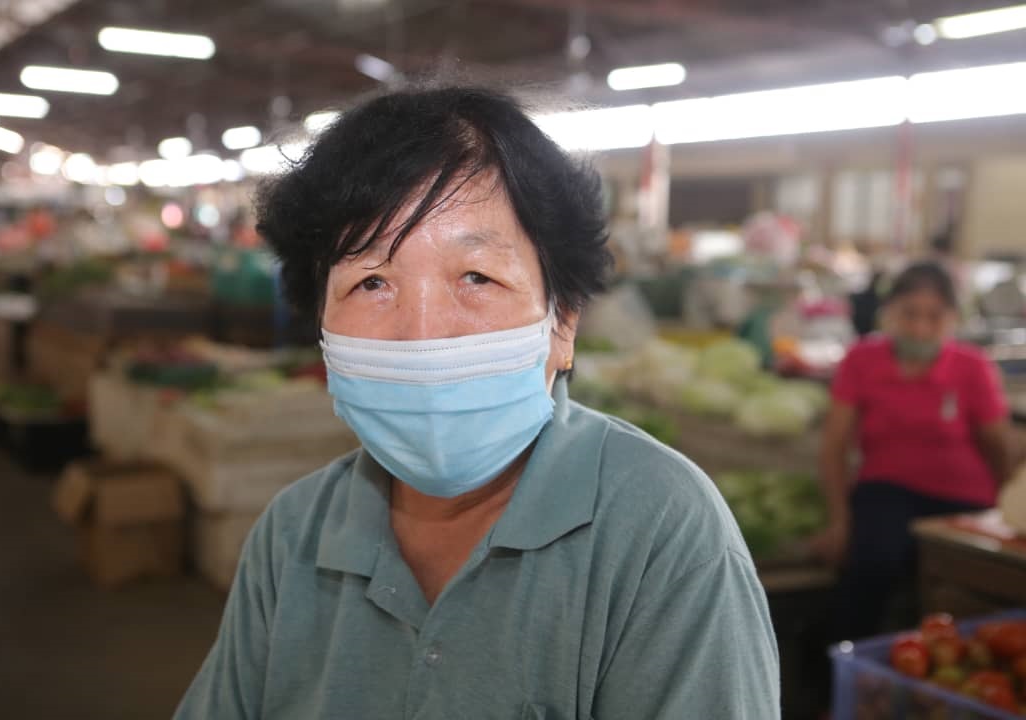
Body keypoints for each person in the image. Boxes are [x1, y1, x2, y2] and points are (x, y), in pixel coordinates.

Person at [175, 86, 779, 719]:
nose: (424, 332)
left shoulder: (660, 530)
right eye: (371, 281)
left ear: (562, 321)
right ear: (322, 325)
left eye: (477, 277)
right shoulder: (293, 534)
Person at [811, 261, 1011, 640]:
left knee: (973, 585)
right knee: (872, 563)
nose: (920, 327)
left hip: (965, 497)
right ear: (890, 313)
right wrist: (839, 520)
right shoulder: (862, 360)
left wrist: (1003, 508)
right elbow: (834, 446)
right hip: (886, 489)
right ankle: (847, 679)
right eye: (909, 314)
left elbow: (997, 445)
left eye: (934, 317)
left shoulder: (972, 366)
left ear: (953, 318)